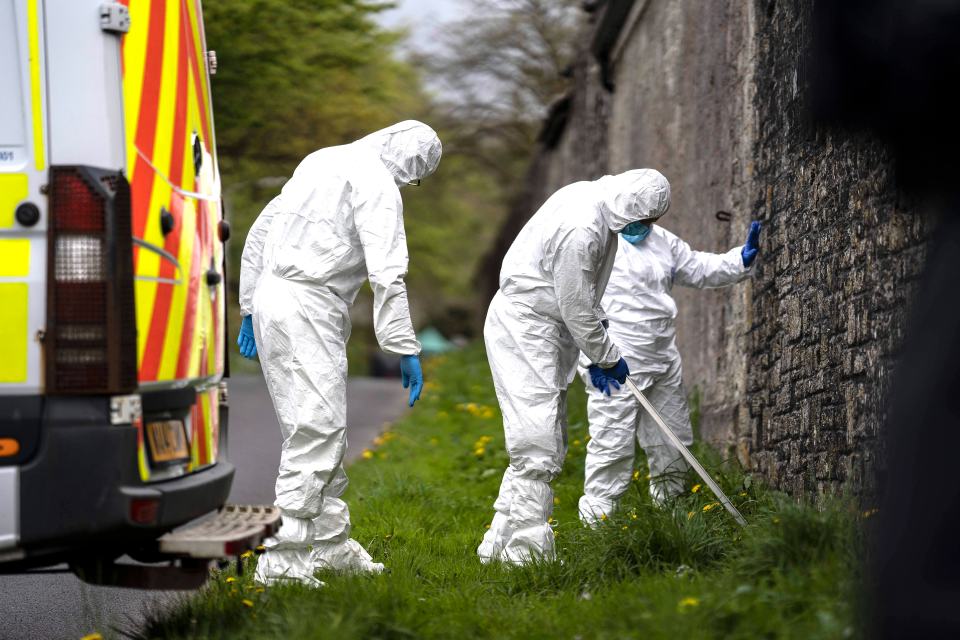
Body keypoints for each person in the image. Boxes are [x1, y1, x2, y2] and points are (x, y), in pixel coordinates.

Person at [236, 121, 442, 585]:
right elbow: (388, 270)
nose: (410, 185)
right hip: (310, 304)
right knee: (318, 429)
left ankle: (332, 544)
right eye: (416, 177)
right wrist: (404, 346)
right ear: (412, 164)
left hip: (275, 295)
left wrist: (250, 306)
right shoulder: (378, 182)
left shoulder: (321, 159)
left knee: (309, 427)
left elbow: (261, 230)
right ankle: (283, 560)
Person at [478, 169, 672, 565]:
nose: (645, 228)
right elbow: (575, 305)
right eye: (645, 220)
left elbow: (582, 293)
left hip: (542, 325)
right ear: (631, 208)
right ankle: (527, 553)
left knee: (544, 433)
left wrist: (599, 335)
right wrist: (608, 356)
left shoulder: (593, 201)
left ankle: (498, 541)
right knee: (538, 441)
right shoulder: (582, 227)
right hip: (526, 326)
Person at [577, 214, 761, 524]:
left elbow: (697, 267)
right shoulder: (596, 244)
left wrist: (738, 261)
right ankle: (599, 525)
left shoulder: (662, 240)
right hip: (615, 364)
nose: (643, 224)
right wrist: (591, 359)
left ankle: (671, 516)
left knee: (673, 442)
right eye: (638, 217)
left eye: (649, 218)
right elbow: (575, 306)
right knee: (612, 446)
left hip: (662, 358)